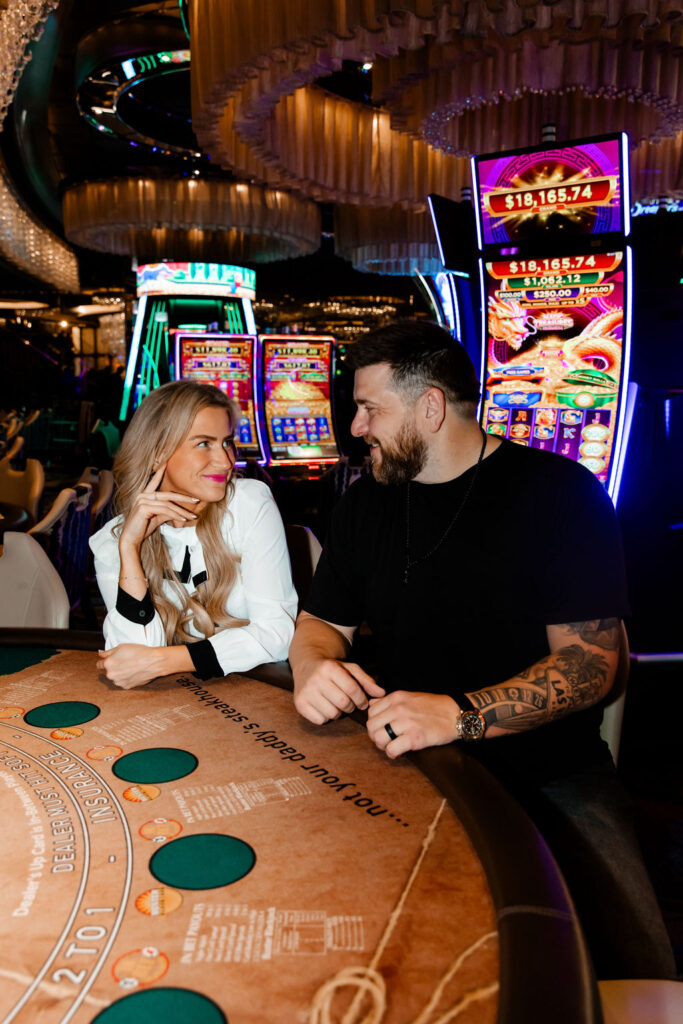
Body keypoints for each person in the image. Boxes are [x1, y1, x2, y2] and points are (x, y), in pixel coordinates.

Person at [289, 320, 675, 980]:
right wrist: (313, 667)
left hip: (549, 773)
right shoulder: (365, 505)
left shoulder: (558, 494)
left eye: (368, 409)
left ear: (430, 407)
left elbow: (591, 665)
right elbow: (318, 627)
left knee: (634, 978)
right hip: (405, 767)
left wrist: (460, 715)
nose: (354, 428)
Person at [91, 380, 297, 688]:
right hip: (172, 699)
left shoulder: (249, 504)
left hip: (255, 688)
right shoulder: (114, 540)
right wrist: (130, 550)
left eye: (227, 442)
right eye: (204, 443)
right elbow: (132, 660)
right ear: (158, 453)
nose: (226, 461)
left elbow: (278, 633)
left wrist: (164, 660)